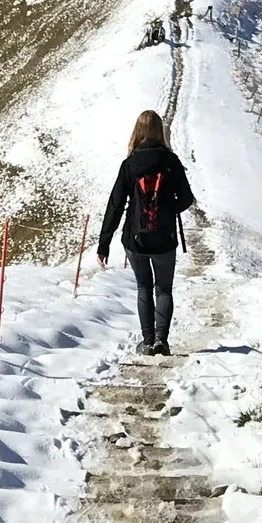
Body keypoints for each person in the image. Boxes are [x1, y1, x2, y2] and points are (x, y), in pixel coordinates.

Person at [96, 109, 196, 356]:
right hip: (165, 238)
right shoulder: (171, 162)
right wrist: (168, 208)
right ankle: (162, 340)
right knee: (164, 289)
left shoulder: (129, 164)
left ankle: (147, 342)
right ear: (159, 131)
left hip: (135, 239)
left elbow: (116, 205)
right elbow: (186, 198)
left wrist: (104, 244)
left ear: (137, 131)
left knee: (143, 287)